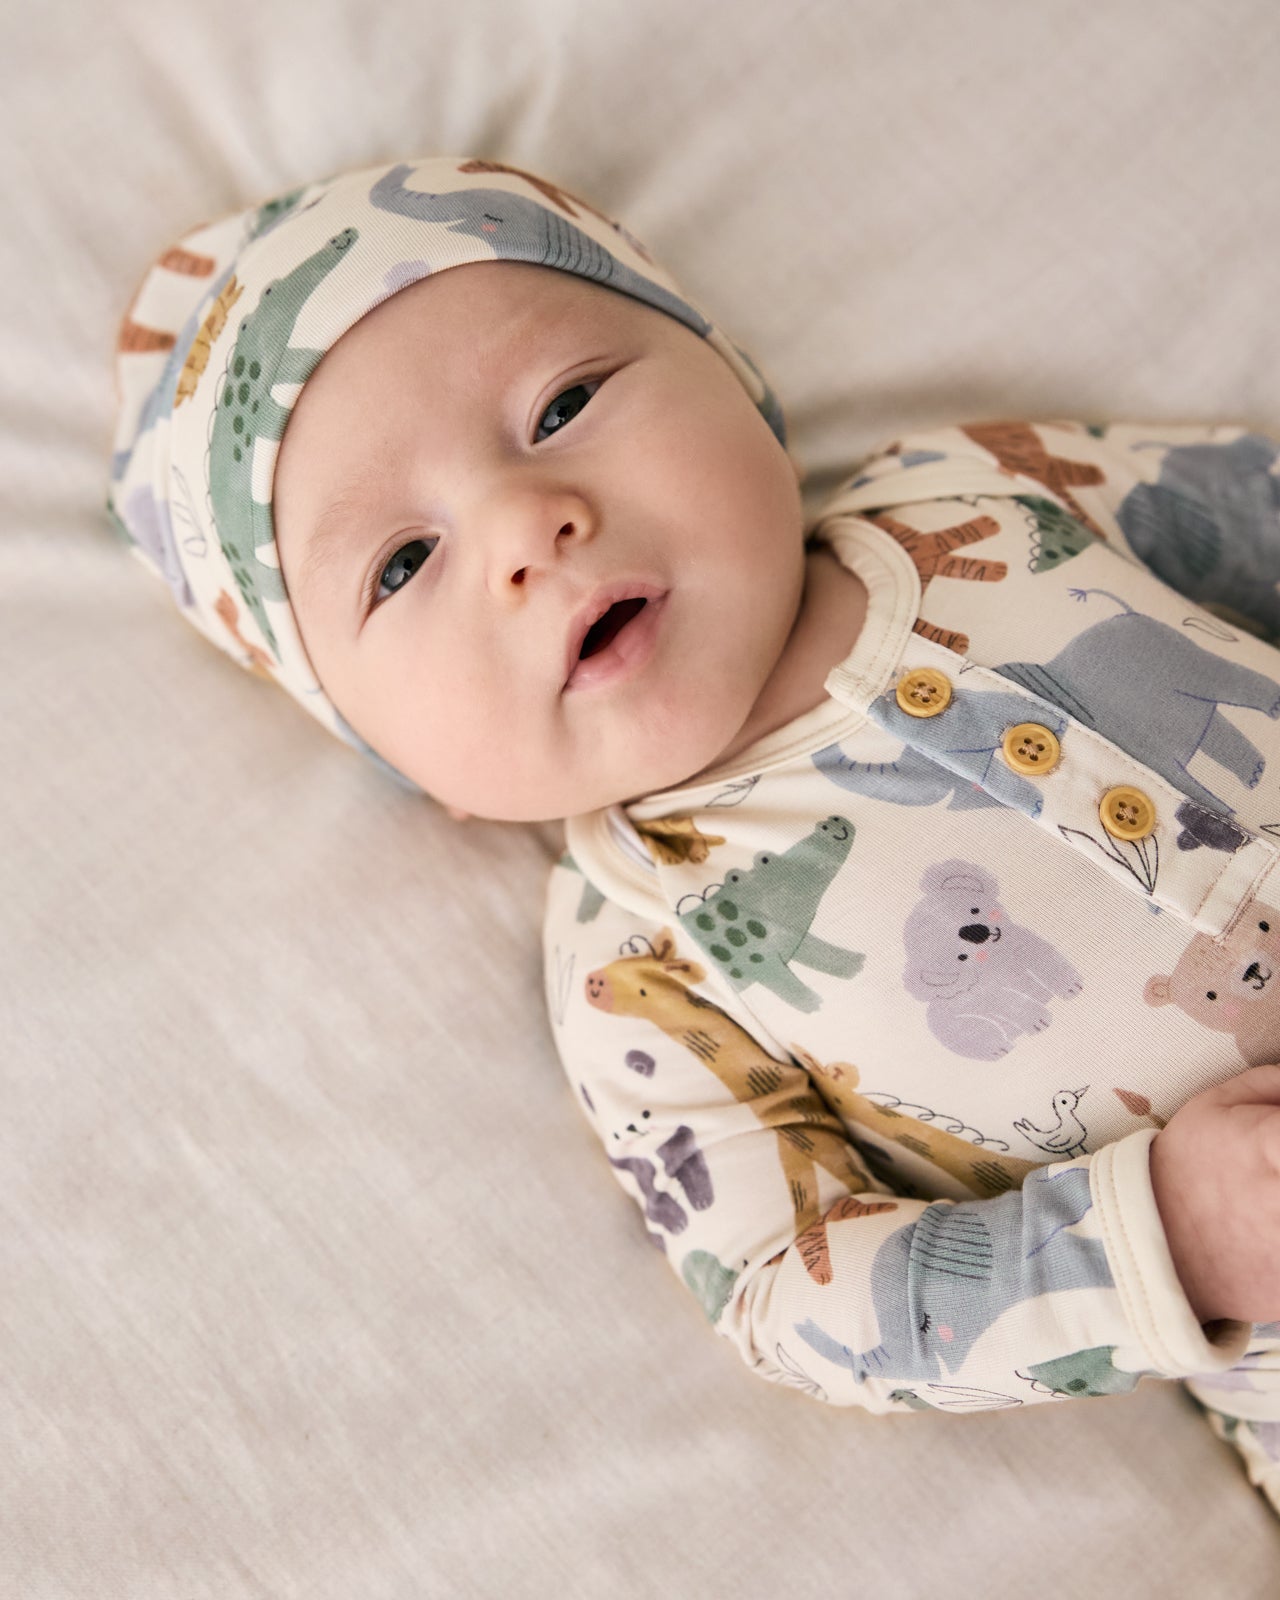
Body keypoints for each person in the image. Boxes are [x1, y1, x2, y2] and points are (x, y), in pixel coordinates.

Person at [106, 154, 1280, 1517]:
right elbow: (797, 1292)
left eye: (563, 403)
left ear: (732, 376)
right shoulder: (638, 961)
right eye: (402, 564)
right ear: (403, 762)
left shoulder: (989, 496)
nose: (524, 527)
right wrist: (1168, 1244)